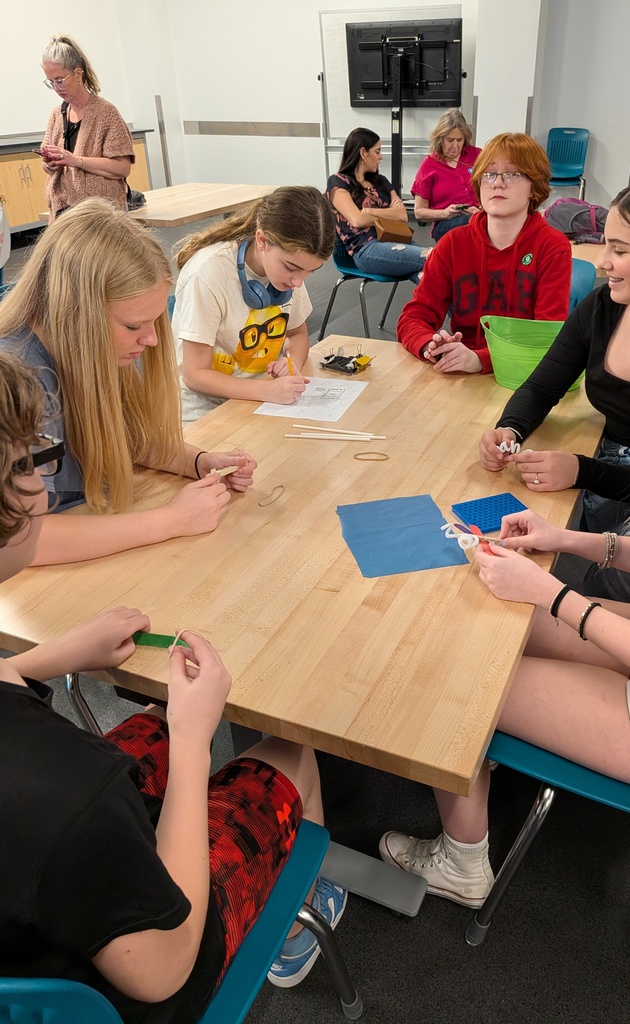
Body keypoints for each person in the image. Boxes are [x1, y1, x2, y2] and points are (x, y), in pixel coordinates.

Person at [380, 216, 630, 907]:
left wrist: (552, 592)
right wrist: (571, 544)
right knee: (489, 621)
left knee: (459, 672)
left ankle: (462, 865)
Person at [0, 351, 347, 1017]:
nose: (44, 487)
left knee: (155, 721)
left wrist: (49, 657)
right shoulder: (72, 797)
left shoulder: (65, 790)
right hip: (146, 972)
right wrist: (193, 742)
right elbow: (162, 971)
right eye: (28, 462)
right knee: (290, 751)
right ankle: (298, 915)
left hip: (31, 911)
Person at [0, 198, 257, 566]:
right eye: (134, 326)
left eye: (154, 321)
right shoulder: (14, 381)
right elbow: (19, 540)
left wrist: (198, 461)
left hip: (88, 534)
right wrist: (170, 520)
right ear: (77, 314)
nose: (151, 340)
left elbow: (129, 437)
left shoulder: (99, 347)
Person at [479, 169, 630, 540]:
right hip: (611, 472)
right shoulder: (603, 306)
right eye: (605, 244)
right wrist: (510, 428)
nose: (602, 261)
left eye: (619, 250)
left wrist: (582, 472)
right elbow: (543, 386)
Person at [397, 132, 572, 375]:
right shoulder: (453, 244)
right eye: (489, 174)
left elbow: (544, 338)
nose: (497, 183)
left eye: (512, 173)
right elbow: (413, 316)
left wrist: (480, 360)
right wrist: (430, 345)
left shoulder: (552, 247)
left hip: (524, 373)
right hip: (462, 371)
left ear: (535, 187)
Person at [173, 186, 334, 425]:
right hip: (203, 411)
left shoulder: (288, 272)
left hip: (262, 399)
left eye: (311, 271)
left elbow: (298, 334)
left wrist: (292, 364)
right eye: (292, 268)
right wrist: (266, 392)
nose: (299, 282)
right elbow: (195, 375)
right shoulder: (207, 274)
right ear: (261, 240)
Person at [39, 35, 134, 219]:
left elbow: (123, 168)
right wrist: (50, 164)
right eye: (51, 82)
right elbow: (46, 168)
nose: (57, 88)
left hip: (99, 215)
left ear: (78, 74)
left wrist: (75, 160)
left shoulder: (106, 113)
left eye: (60, 80)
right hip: (63, 212)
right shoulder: (56, 115)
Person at [327, 127, 431, 283]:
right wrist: (390, 212)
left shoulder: (381, 181)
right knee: (436, 259)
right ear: (363, 153)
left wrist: (368, 212)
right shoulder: (338, 182)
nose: (380, 157)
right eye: (377, 151)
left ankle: (451, 307)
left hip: (397, 239)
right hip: (366, 248)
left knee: (430, 274)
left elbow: (402, 215)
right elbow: (357, 220)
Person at [411, 109, 482, 242]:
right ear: (440, 139)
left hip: (477, 216)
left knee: (485, 221)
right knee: (477, 222)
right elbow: (419, 212)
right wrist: (445, 213)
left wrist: (480, 210)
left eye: (459, 140)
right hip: (446, 223)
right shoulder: (429, 166)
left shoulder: (477, 156)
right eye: (450, 140)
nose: (455, 146)